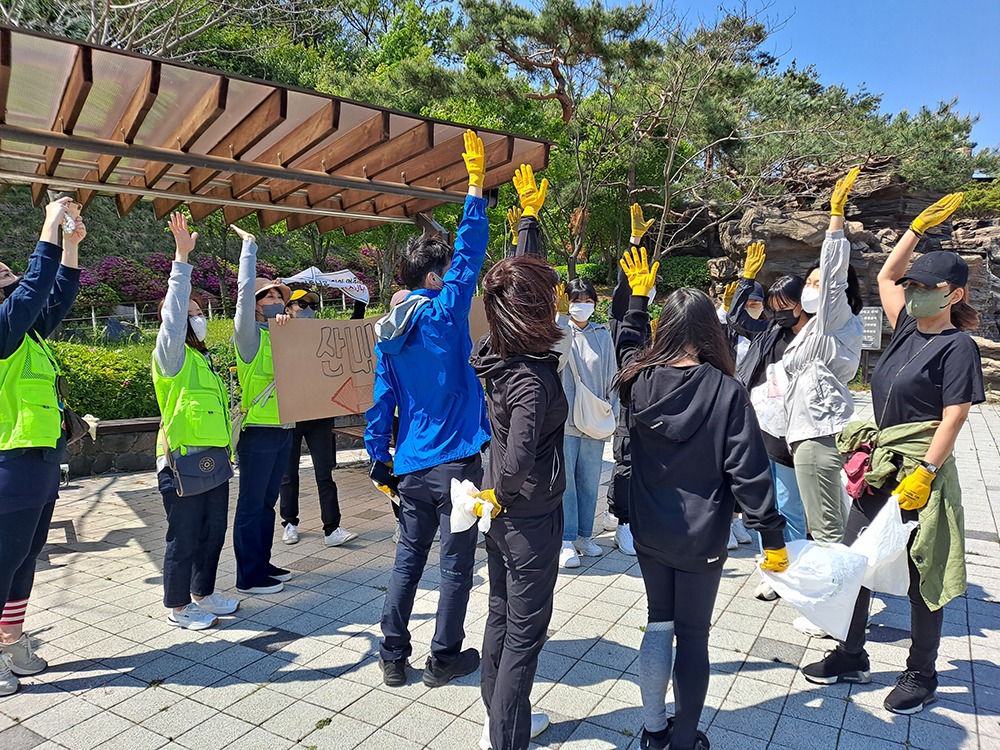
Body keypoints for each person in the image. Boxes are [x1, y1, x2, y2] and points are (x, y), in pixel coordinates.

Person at [803, 192, 984, 716]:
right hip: (881, 466)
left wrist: (927, 471)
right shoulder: (906, 325)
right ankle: (852, 653)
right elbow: (886, 277)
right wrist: (915, 231)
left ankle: (921, 673)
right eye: (917, 285)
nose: (919, 292)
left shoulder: (958, 347)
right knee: (855, 559)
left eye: (930, 287)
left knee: (922, 571)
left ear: (955, 294)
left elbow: (954, 416)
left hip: (918, 473)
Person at [614, 246, 788, 750]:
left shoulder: (638, 382)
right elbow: (749, 474)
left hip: (649, 530)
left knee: (657, 624)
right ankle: (684, 739)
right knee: (692, 637)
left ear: (663, 331)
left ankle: (652, 731)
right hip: (702, 538)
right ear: (712, 333)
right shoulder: (727, 391)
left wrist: (638, 299)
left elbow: (627, 345)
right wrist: (770, 536)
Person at [365, 130, 490, 689]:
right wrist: (474, 190)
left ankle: (393, 656)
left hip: (411, 466)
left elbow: (380, 404)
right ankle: (444, 658)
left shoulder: (387, 337)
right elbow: (468, 254)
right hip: (461, 465)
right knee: (456, 564)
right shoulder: (443, 313)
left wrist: (379, 460)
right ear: (433, 280)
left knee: (407, 562)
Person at [469, 252, 565, 750]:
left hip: (504, 516)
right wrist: (501, 496)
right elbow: (519, 457)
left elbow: (511, 279)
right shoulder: (529, 377)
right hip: (528, 516)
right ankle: (506, 736)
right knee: (523, 637)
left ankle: (497, 721)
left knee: (501, 616)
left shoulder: (497, 352)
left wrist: (528, 219)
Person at [0, 197, 84, 696]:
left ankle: (11, 641)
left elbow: (57, 296)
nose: (6, 268)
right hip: (10, 463)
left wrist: (69, 246)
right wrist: (49, 225)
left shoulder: (25, 334)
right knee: (2, 560)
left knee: (24, 557)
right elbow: (34, 288)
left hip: (41, 462)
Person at [152, 212, 238, 631]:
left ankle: (204, 592)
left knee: (213, 532)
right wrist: (180, 261)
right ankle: (178, 604)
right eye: (191, 311)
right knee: (183, 537)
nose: (197, 315)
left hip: (214, 460)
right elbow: (172, 317)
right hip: (181, 461)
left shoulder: (202, 358)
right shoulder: (171, 357)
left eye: (201, 310)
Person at [783, 168, 864, 551]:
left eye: (817, 283)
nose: (812, 288)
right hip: (803, 432)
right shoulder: (814, 329)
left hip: (818, 433)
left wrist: (836, 218)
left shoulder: (836, 320)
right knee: (820, 522)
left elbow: (835, 277)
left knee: (827, 529)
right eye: (809, 283)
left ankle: (839, 609)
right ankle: (834, 601)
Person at [730, 242, 809, 600]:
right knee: (765, 504)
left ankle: (795, 566)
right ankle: (772, 565)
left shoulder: (815, 339)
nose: (778, 314)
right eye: (773, 308)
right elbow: (735, 318)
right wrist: (747, 280)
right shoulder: (769, 333)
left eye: (785, 307)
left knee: (791, 504)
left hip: (795, 433)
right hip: (761, 429)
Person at [232, 225, 295, 596]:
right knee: (252, 503)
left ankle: (263, 562)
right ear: (255, 304)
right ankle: (248, 575)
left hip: (284, 428)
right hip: (258, 431)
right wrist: (249, 251)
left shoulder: (282, 332)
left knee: (268, 503)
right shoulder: (249, 336)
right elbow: (241, 298)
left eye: (277, 295)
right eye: (266, 295)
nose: (275, 299)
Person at [279, 289, 360, 549]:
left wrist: (359, 301)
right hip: (291, 412)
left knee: (325, 473)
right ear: (287, 307)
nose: (307, 309)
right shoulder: (278, 332)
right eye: (301, 304)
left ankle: (332, 528)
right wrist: (277, 324)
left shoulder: (322, 332)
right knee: (288, 473)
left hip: (320, 413)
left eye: (311, 305)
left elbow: (349, 336)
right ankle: (289, 523)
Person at [600, 203, 658, 557]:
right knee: (626, 460)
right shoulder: (623, 321)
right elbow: (624, 290)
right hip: (625, 405)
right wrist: (636, 239)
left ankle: (616, 509)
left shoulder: (651, 323)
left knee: (640, 463)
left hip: (648, 405)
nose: (644, 289)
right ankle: (623, 522)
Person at [558, 277, 619, 568]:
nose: (582, 306)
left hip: (595, 421)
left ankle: (585, 535)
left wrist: (612, 412)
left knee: (589, 482)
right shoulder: (558, 332)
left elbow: (613, 376)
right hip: (565, 421)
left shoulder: (602, 335)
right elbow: (554, 360)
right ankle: (566, 539)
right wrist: (558, 318)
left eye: (587, 300)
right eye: (576, 300)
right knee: (566, 482)